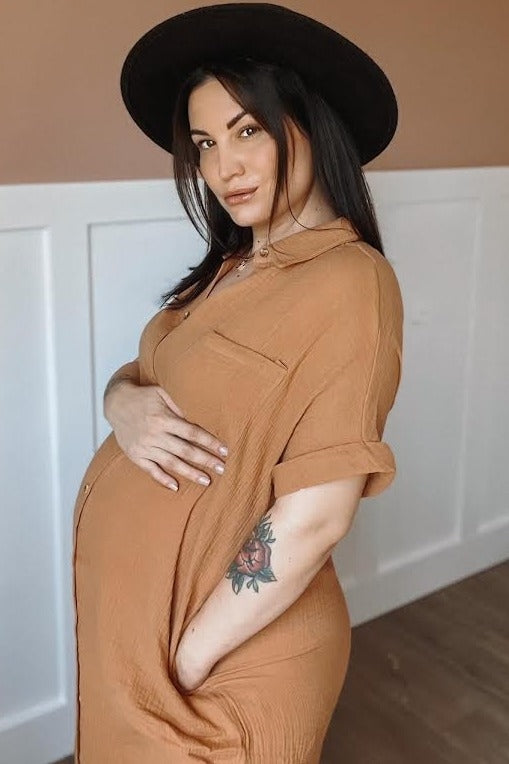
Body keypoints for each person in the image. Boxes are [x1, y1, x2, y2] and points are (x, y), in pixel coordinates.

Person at [72, 4, 404, 762]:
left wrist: (182, 661)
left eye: (247, 130)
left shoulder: (351, 283)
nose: (224, 166)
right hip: (145, 656)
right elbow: (148, 373)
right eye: (205, 142)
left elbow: (317, 515)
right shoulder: (228, 270)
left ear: (310, 126)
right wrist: (120, 403)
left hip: (218, 669)